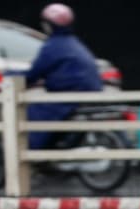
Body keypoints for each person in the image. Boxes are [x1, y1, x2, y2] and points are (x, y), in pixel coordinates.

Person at [25, 4, 103, 149]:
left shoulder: (54, 46)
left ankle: (35, 154)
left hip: (69, 97)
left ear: (49, 25)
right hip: (85, 94)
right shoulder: (71, 42)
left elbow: (34, 74)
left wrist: (11, 76)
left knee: (31, 115)